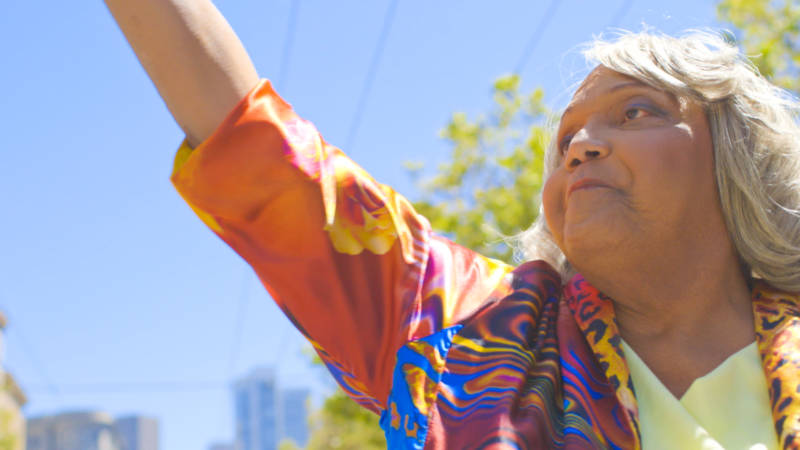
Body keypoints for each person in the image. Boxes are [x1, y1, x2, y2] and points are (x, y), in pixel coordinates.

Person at [104, 1, 800, 448]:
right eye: (565, 143)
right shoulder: (459, 329)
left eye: (637, 111)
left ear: (735, 157)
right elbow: (260, 150)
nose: (582, 145)